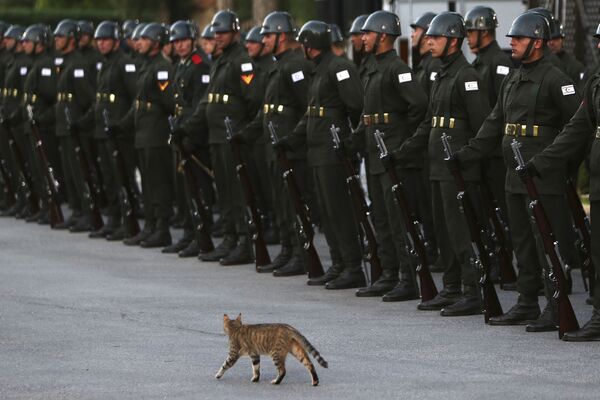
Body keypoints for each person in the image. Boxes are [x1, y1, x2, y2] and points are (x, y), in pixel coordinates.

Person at [453, 12, 581, 331]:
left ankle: (556, 305)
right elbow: (495, 121)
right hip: (515, 173)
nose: (512, 45)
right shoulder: (513, 77)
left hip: (543, 175)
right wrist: (467, 154)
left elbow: (575, 130)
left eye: (519, 39)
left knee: (546, 241)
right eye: (511, 39)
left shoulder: (556, 79)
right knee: (522, 239)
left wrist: (561, 169)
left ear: (537, 43)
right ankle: (526, 303)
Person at [392, 12, 490, 316]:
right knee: (443, 230)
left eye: (435, 37)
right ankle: (451, 287)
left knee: (461, 231)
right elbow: (429, 123)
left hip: (458, 169)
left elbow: (482, 125)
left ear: (452, 41)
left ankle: (473, 291)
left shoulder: (467, 75)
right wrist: (404, 151)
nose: (428, 42)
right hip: (437, 166)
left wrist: (467, 157)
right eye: (429, 37)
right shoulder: (442, 73)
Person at [525, 22, 600, 341]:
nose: (599, 47)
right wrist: (542, 161)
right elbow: (578, 127)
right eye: (599, 41)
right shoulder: (596, 81)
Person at [280, 20, 365, 289]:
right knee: (326, 212)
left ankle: (353, 267)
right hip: (317, 149)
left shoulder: (339, 67)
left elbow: (356, 107)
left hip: (334, 149)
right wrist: (291, 139)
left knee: (339, 210)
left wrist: (352, 144)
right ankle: (338, 263)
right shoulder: (318, 70)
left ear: (309, 46)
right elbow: (312, 112)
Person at [177, 10, 262, 265]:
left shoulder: (241, 61)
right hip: (216, 137)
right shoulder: (220, 61)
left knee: (238, 192)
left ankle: (245, 242)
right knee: (224, 190)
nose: (218, 37)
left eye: (223, 33)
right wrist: (188, 128)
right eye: (216, 33)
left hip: (233, 137)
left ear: (235, 33)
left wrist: (241, 130)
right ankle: (229, 239)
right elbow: (206, 102)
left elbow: (253, 100)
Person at [353, 11, 428, 301]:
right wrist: (353, 140)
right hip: (375, 154)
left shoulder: (398, 68)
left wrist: (401, 138)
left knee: (398, 220)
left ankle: (408, 278)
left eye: (368, 33)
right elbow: (367, 115)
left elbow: (419, 105)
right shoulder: (372, 68)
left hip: (392, 155)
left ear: (382, 36)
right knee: (381, 218)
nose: (363, 38)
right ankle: (388, 273)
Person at [118, 22, 175, 248]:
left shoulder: (162, 67)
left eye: (143, 39)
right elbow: (138, 103)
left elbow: (169, 101)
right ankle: (150, 226)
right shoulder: (145, 65)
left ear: (156, 42)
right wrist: (122, 125)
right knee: (148, 183)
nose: (138, 42)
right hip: (142, 132)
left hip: (156, 133)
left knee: (158, 182)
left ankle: (162, 229)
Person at [83, 21, 138, 240]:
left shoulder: (125, 64)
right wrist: (85, 122)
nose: (101, 44)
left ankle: (129, 220)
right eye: (99, 41)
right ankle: (114, 219)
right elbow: (99, 99)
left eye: (105, 40)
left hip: (120, 132)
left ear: (116, 42)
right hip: (103, 130)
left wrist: (122, 124)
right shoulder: (104, 64)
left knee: (122, 177)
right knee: (109, 177)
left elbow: (135, 98)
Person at [162, 20, 212, 257]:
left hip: (193, 136)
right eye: (175, 42)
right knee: (184, 190)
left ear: (192, 40)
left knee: (197, 188)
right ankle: (189, 232)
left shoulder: (200, 64)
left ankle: (202, 234)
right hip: (181, 132)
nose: (179, 45)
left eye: (182, 41)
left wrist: (189, 134)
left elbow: (199, 105)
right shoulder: (180, 65)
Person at [53, 19, 96, 232]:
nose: (56, 40)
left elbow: (87, 98)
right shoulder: (65, 61)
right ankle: (78, 210)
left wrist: (81, 122)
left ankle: (89, 212)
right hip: (64, 125)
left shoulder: (78, 64)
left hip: (76, 125)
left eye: (60, 37)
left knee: (81, 171)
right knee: (70, 171)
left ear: (71, 39)